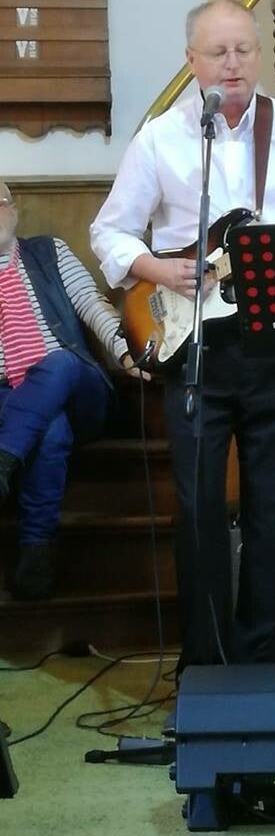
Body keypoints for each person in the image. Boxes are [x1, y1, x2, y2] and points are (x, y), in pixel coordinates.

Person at [90, 0, 275, 676]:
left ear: (258, 56)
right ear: (192, 61)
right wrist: (155, 267)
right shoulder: (160, 139)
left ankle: (262, 667)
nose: (233, 63)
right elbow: (109, 231)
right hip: (193, 348)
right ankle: (205, 667)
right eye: (218, 52)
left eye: (243, 50)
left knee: (273, 510)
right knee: (198, 512)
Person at [0, 181, 138, 600]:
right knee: (51, 430)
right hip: (9, 398)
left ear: (14, 209)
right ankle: (36, 552)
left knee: (60, 362)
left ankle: (3, 458)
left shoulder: (50, 252)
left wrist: (127, 352)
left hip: (77, 388)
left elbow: (93, 305)